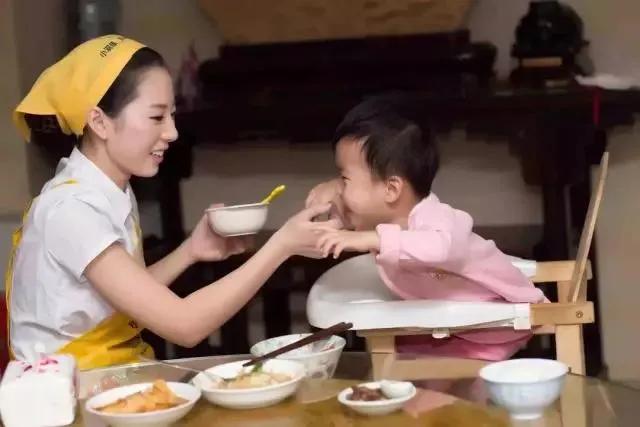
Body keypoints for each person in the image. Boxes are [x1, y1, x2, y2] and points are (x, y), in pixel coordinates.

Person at [7, 35, 338, 370]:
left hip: (107, 376)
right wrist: (280, 246)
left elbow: (130, 294)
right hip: (63, 392)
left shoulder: (110, 190)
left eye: (172, 116)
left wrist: (191, 250)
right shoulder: (71, 209)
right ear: (99, 122)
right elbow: (184, 324)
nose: (172, 133)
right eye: (157, 118)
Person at [308, 96, 545, 360]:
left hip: (492, 322)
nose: (340, 187)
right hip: (445, 325)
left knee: (419, 374)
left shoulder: (436, 218)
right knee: (400, 364)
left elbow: (439, 248)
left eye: (344, 178)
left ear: (391, 189)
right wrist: (330, 198)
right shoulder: (384, 218)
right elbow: (346, 223)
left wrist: (371, 239)